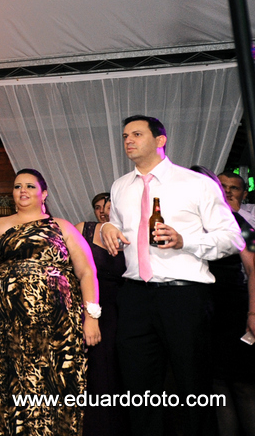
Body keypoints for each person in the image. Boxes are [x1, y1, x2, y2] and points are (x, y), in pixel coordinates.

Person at [101, 115, 243, 436]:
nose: (128, 141)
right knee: (137, 388)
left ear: (160, 140)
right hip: (134, 293)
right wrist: (109, 227)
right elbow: (124, 229)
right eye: (125, 135)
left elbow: (232, 238)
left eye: (137, 134)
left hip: (184, 295)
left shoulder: (196, 184)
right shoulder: (120, 186)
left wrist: (185, 240)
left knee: (192, 385)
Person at [0, 168, 99, 436]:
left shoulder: (62, 226)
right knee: (12, 382)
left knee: (57, 380)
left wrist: (92, 317)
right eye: (18, 186)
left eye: (30, 186)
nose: (22, 191)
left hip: (58, 323)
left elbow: (87, 272)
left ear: (44, 193)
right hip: (8, 323)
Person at [74, 193, 129, 436]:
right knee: (95, 368)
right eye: (97, 207)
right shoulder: (83, 230)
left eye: (107, 206)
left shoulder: (130, 232)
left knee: (122, 368)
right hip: (92, 306)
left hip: (124, 306)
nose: (102, 211)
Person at [208, 168, 255, 436]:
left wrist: (253, 312)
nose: (225, 191)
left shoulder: (236, 221)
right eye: (221, 186)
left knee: (244, 384)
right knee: (218, 386)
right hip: (209, 311)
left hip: (236, 309)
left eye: (231, 187)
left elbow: (253, 269)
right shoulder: (201, 221)